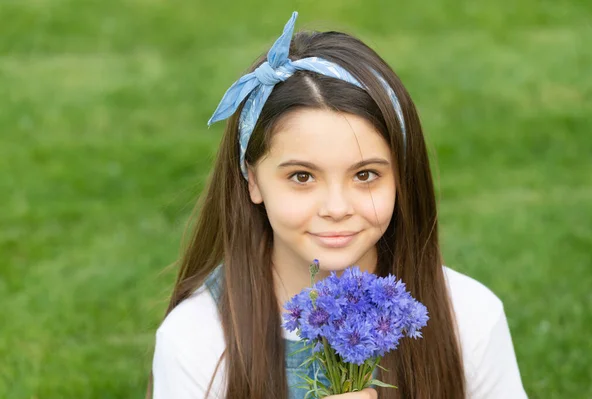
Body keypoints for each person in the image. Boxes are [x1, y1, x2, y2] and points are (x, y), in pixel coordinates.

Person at [147, 11, 527, 399]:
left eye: (365, 175)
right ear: (253, 179)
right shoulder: (198, 339)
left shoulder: (469, 315)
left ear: (402, 177)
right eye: (302, 176)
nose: (336, 207)